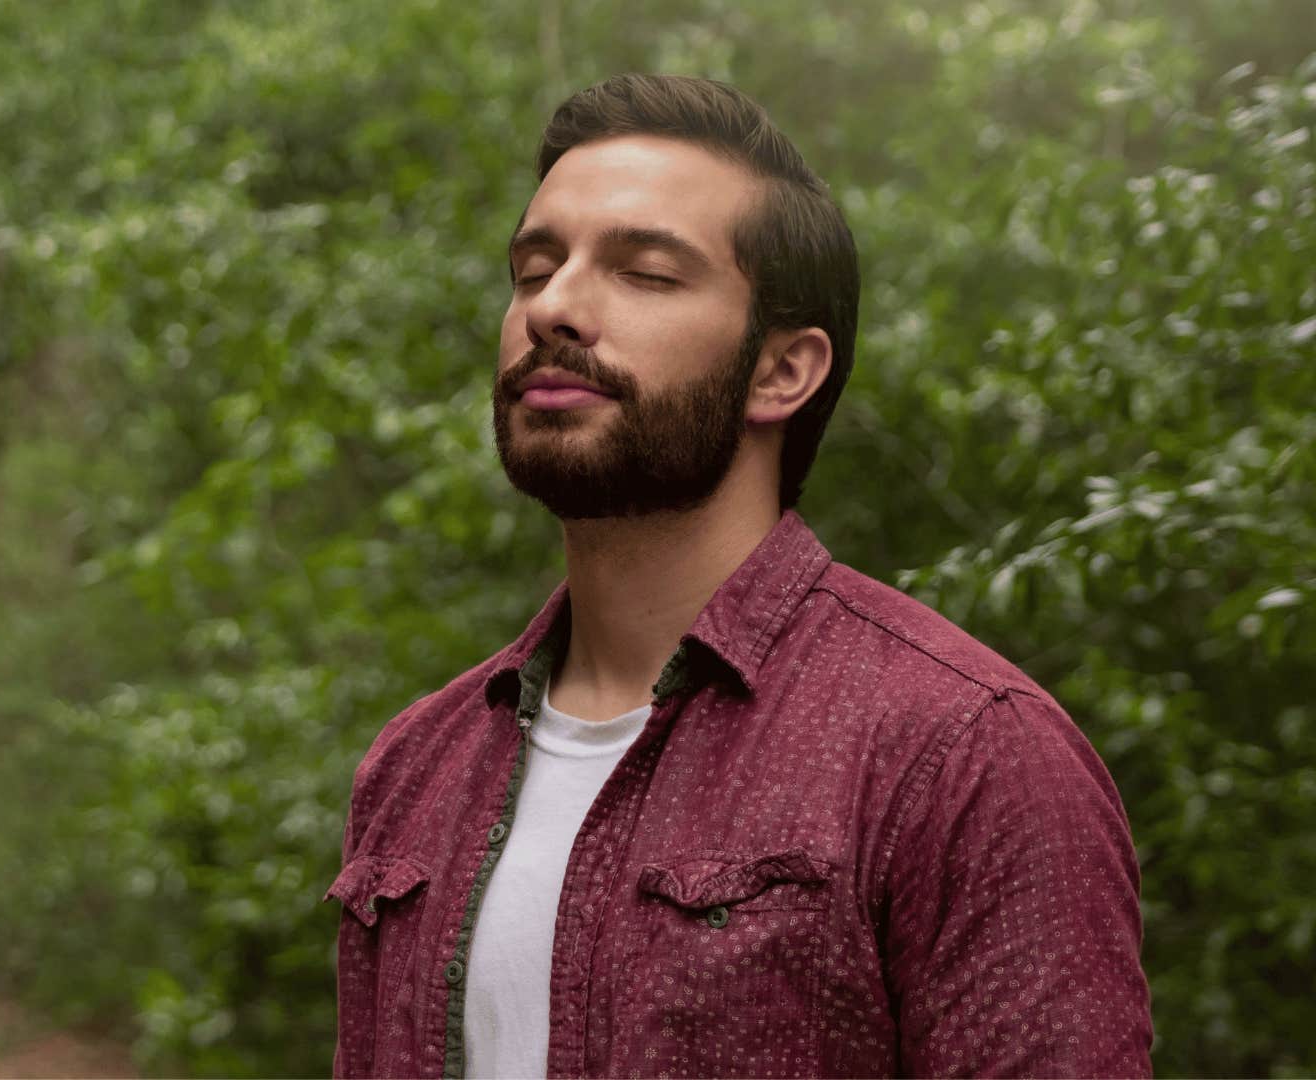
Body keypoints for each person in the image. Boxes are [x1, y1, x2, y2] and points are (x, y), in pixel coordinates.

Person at [327, 74, 1152, 1079]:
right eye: (535, 267)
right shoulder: (417, 766)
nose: (555, 307)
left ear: (781, 372)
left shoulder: (962, 754)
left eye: (646, 273)